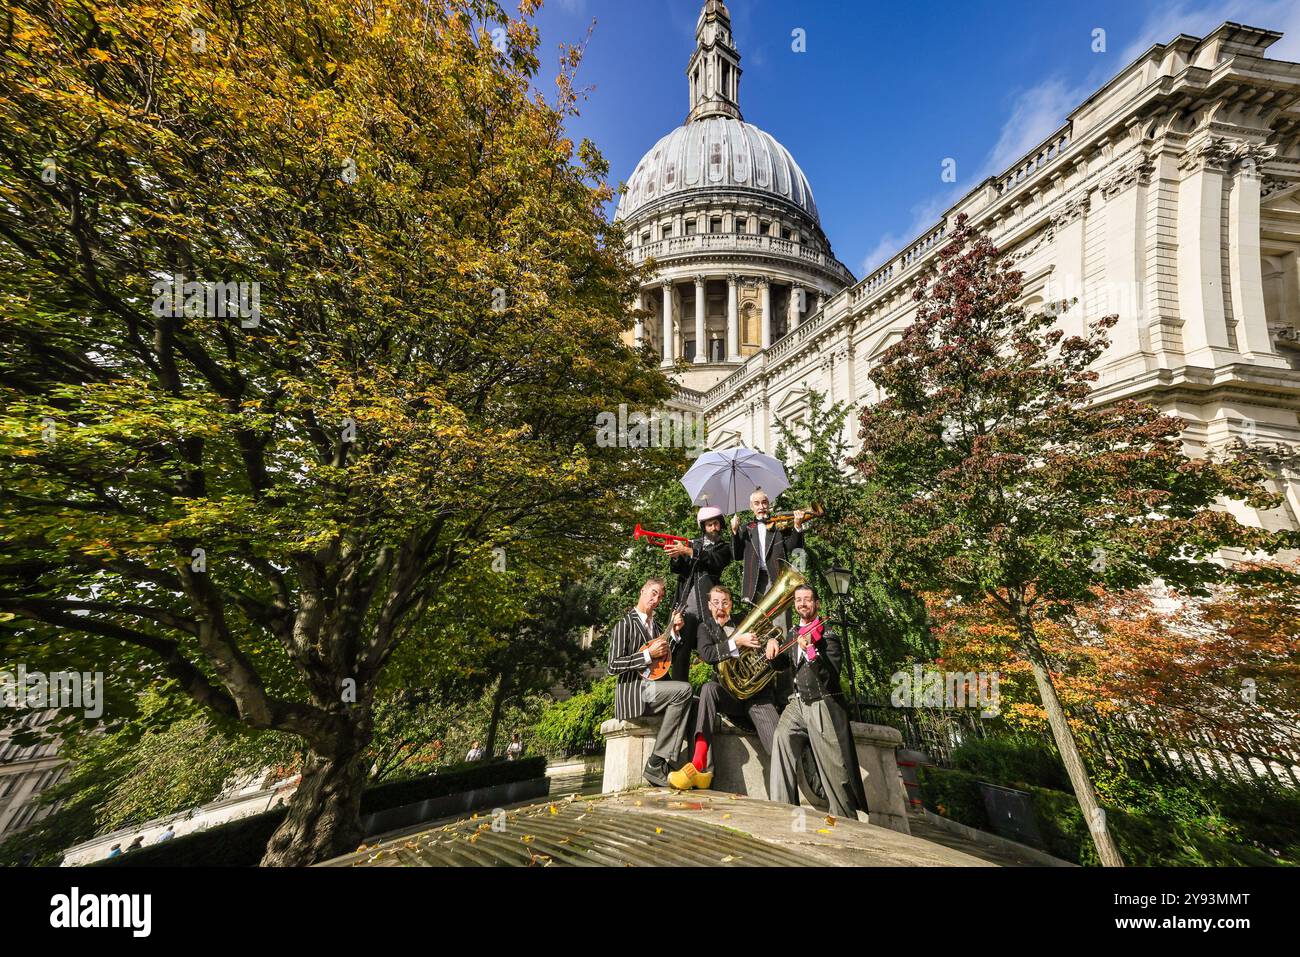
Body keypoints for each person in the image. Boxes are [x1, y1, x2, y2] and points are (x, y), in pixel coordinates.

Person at [765, 584, 868, 819]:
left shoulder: (828, 634)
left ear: (817, 603)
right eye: (798, 600)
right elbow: (782, 664)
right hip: (797, 702)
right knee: (781, 738)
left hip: (822, 702)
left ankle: (844, 818)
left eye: (807, 599)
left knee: (833, 766)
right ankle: (784, 809)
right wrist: (771, 647)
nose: (802, 604)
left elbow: (830, 675)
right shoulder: (792, 633)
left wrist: (812, 651)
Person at [668, 585, 780, 791]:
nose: (721, 607)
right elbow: (708, 654)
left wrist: (773, 640)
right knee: (708, 689)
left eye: (725, 602)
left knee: (779, 746)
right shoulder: (705, 628)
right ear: (709, 606)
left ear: (731, 604)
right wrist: (736, 642)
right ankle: (698, 762)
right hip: (730, 696)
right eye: (716, 603)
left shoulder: (744, 619)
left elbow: (769, 635)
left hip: (757, 696)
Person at [606, 577, 694, 787]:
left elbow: (660, 664)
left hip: (652, 688)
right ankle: (656, 762)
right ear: (642, 590)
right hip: (635, 691)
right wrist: (646, 655)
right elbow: (612, 666)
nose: (656, 600)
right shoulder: (624, 624)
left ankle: (687, 764)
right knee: (684, 690)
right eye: (653, 593)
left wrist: (673, 632)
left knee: (697, 701)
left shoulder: (655, 627)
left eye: (661, 597)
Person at [663, 505, 733, 682]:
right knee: (681, 652)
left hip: (709, 610)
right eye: (709, 525)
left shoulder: (724, 547)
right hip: (685, 608)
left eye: (716, 523)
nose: (713, 528)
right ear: (704, 527)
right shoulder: (692, 543)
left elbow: (714, 562)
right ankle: (680, 690)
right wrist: (676, 556)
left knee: (714, 650)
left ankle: (722, 688)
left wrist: (689, 551)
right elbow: (679, 569)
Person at [731, 490, 806, 604]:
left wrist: (797, 526)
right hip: (755, 581)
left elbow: (794, 548)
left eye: (764, 502)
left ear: (769, 504)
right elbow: (737, 555)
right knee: (759, 620)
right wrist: (735, 532)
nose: (761, 506)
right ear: (751, 507)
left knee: (781, 619)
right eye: (757, 503)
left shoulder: (779, 525)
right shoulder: (745, 528)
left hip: (778, 579)